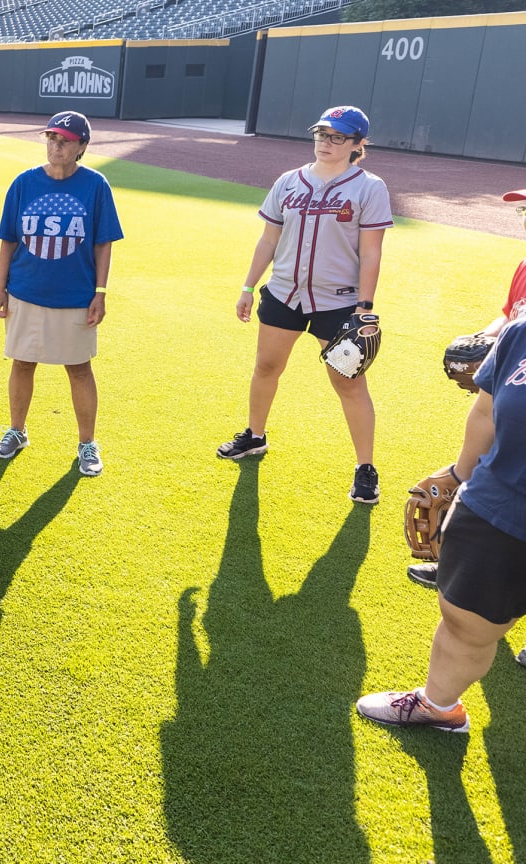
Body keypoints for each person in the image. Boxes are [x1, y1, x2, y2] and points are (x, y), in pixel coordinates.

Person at [355, 310, 526, 731]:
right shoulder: (520, 334)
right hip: (504, 507)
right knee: (465, 621)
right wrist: (458, 478)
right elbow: (486, 413)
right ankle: (439, 705)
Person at [216, 105, 392, 504]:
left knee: (348, 383)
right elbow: (268, 239)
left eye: (337, 137)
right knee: (266, 366)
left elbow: (372, 252)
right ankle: (255, 436)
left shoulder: (369, 187)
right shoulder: (288, 182)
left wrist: (365, 306)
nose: (325, 143)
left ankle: (365, 468)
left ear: (358, 145)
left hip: (338, 302)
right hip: (284, 294)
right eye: (321, 134)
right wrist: (248, 285)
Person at [0, 111, 123, 477]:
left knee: (79, 369)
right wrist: (0, 288)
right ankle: (17, 431)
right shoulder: (24, 183)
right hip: (25, 291)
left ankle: (87, 443)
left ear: (81, 146)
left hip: (75, 296)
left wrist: (100, 292)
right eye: (51, 138)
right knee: (22, 362)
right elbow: (8, 240)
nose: (56, 146)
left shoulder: (95, 185)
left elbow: (103, 244)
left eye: (65, 140)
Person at [408, 187, 526, 588]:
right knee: (484, 486)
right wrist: (485, 337)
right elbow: (510, 315)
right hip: (509, 397)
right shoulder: (525, 266)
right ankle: (458, 569)